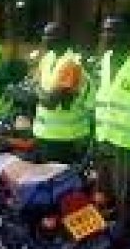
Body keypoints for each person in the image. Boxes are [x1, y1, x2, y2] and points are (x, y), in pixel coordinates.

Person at [93, 16, 130, 249]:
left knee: (129, 205)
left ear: (129, 35)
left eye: (113, 31)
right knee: (104, 199)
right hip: (105, 142)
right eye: (104, 30)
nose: (106, 35)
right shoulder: (107, 60)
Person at [31, 22, 91, 164]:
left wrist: (35, 88)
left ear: (64, 38)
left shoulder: (71, 64)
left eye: (50, 35)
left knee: (62, 182)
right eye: (44, 34)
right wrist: (36, 88)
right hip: (44, 133)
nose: (45, 38)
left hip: (66, 137)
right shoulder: (47, 59)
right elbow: (36, 84)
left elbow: (51, 102)